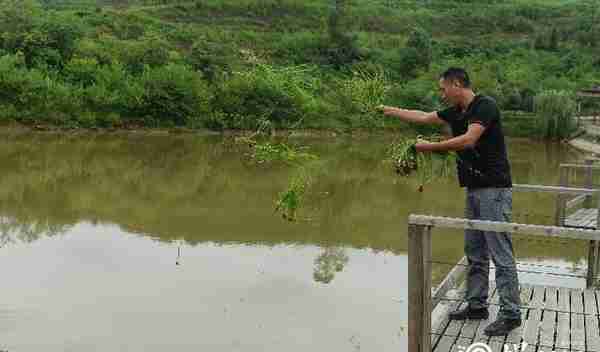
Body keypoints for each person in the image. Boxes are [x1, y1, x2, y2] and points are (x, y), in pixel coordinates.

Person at [380, 67, 521, 336]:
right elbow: (422, 117)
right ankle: (477, 304)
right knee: (475, 250)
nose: (441, 94)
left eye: (443, 88)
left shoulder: (484, 106)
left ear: (457, 84)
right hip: (473, 188)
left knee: (500, 252)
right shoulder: (456, 111)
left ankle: (511, 313)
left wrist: (426, 147)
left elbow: (468, 140)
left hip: (494, 189)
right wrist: (388, 109)